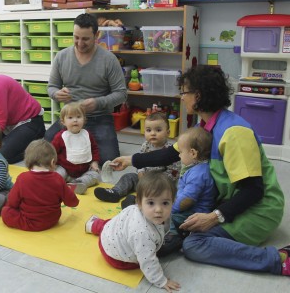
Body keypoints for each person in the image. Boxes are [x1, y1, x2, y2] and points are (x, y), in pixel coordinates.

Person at [111, 65, 289, 277]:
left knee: (194, 244)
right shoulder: (206, 126)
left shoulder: (234, 133)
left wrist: (214, 217)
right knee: (178, 219)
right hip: (231, 200)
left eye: (184, 92)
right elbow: (170, 154)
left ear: (198, 95)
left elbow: (253, 190)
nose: (182, 97)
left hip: (258, 209)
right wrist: (130, 159)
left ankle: (278, 261)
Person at [45, 13, 127, 164]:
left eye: (85, 39)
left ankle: (83, 147)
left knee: (109, 159)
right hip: (70, 117)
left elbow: (121, 94)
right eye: (76, 37)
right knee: (45, 149)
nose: (80, 43)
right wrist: (57, 94)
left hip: (99, 117)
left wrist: (98, 103)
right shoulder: (62, 57)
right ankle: (80, 148)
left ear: (97, 35)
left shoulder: (109, 59)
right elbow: (51, 87)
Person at [85, 172, 181, 292]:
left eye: (165, 203)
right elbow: (148, 261)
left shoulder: (136, 210)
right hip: (115, 257)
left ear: (173, 202)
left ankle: (94, 225)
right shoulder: (142, 233)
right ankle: (96, 226)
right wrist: (161, 281)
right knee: (150, 254)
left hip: (110, 231)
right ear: (139, 203)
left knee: (111, 224)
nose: (158, 209)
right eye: (151, 203)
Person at [94, 112, 180, 205]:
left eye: (158, 130)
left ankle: (135, 202)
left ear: (168, 133)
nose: (153, 133)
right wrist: (140, 173)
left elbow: (174, 172)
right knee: (128, 177)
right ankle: (115, 192)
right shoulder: (145, 146)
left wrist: (157, 181)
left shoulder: (171, 150)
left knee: (159, 194)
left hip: (160, 184)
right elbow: (140, 162)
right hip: (143, 179)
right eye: (148, 130)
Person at [160, 126, 216, 256]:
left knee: (173, 216)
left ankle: (174, 237)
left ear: (193, 153)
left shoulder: (198, 174)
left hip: (195, 212)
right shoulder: (197, 168)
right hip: (188, 206)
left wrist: (169, 209)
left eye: (180, 152)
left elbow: (187, 201)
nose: (179, 155)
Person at [1, 139, 79, 231]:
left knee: (5, 212)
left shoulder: (22, 178)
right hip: (52, 220)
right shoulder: (58, 178)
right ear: (52, 162)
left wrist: (9, 207)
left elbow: (12, 201)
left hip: (28, 221)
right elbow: (72, 202)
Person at [51, 102, 100, 195]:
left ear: (84, 119)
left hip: (84, 171)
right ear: (63, 121)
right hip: (65, 169)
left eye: (78, 117)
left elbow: (94, 149)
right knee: (57, 174)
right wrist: (52, 164)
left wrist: (94, 162)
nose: (75, 120)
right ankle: (56, 183)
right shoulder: (60, 136)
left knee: (96, 175)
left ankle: (79, 183)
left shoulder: (87, 135)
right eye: (70, 118)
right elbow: (52, 152)